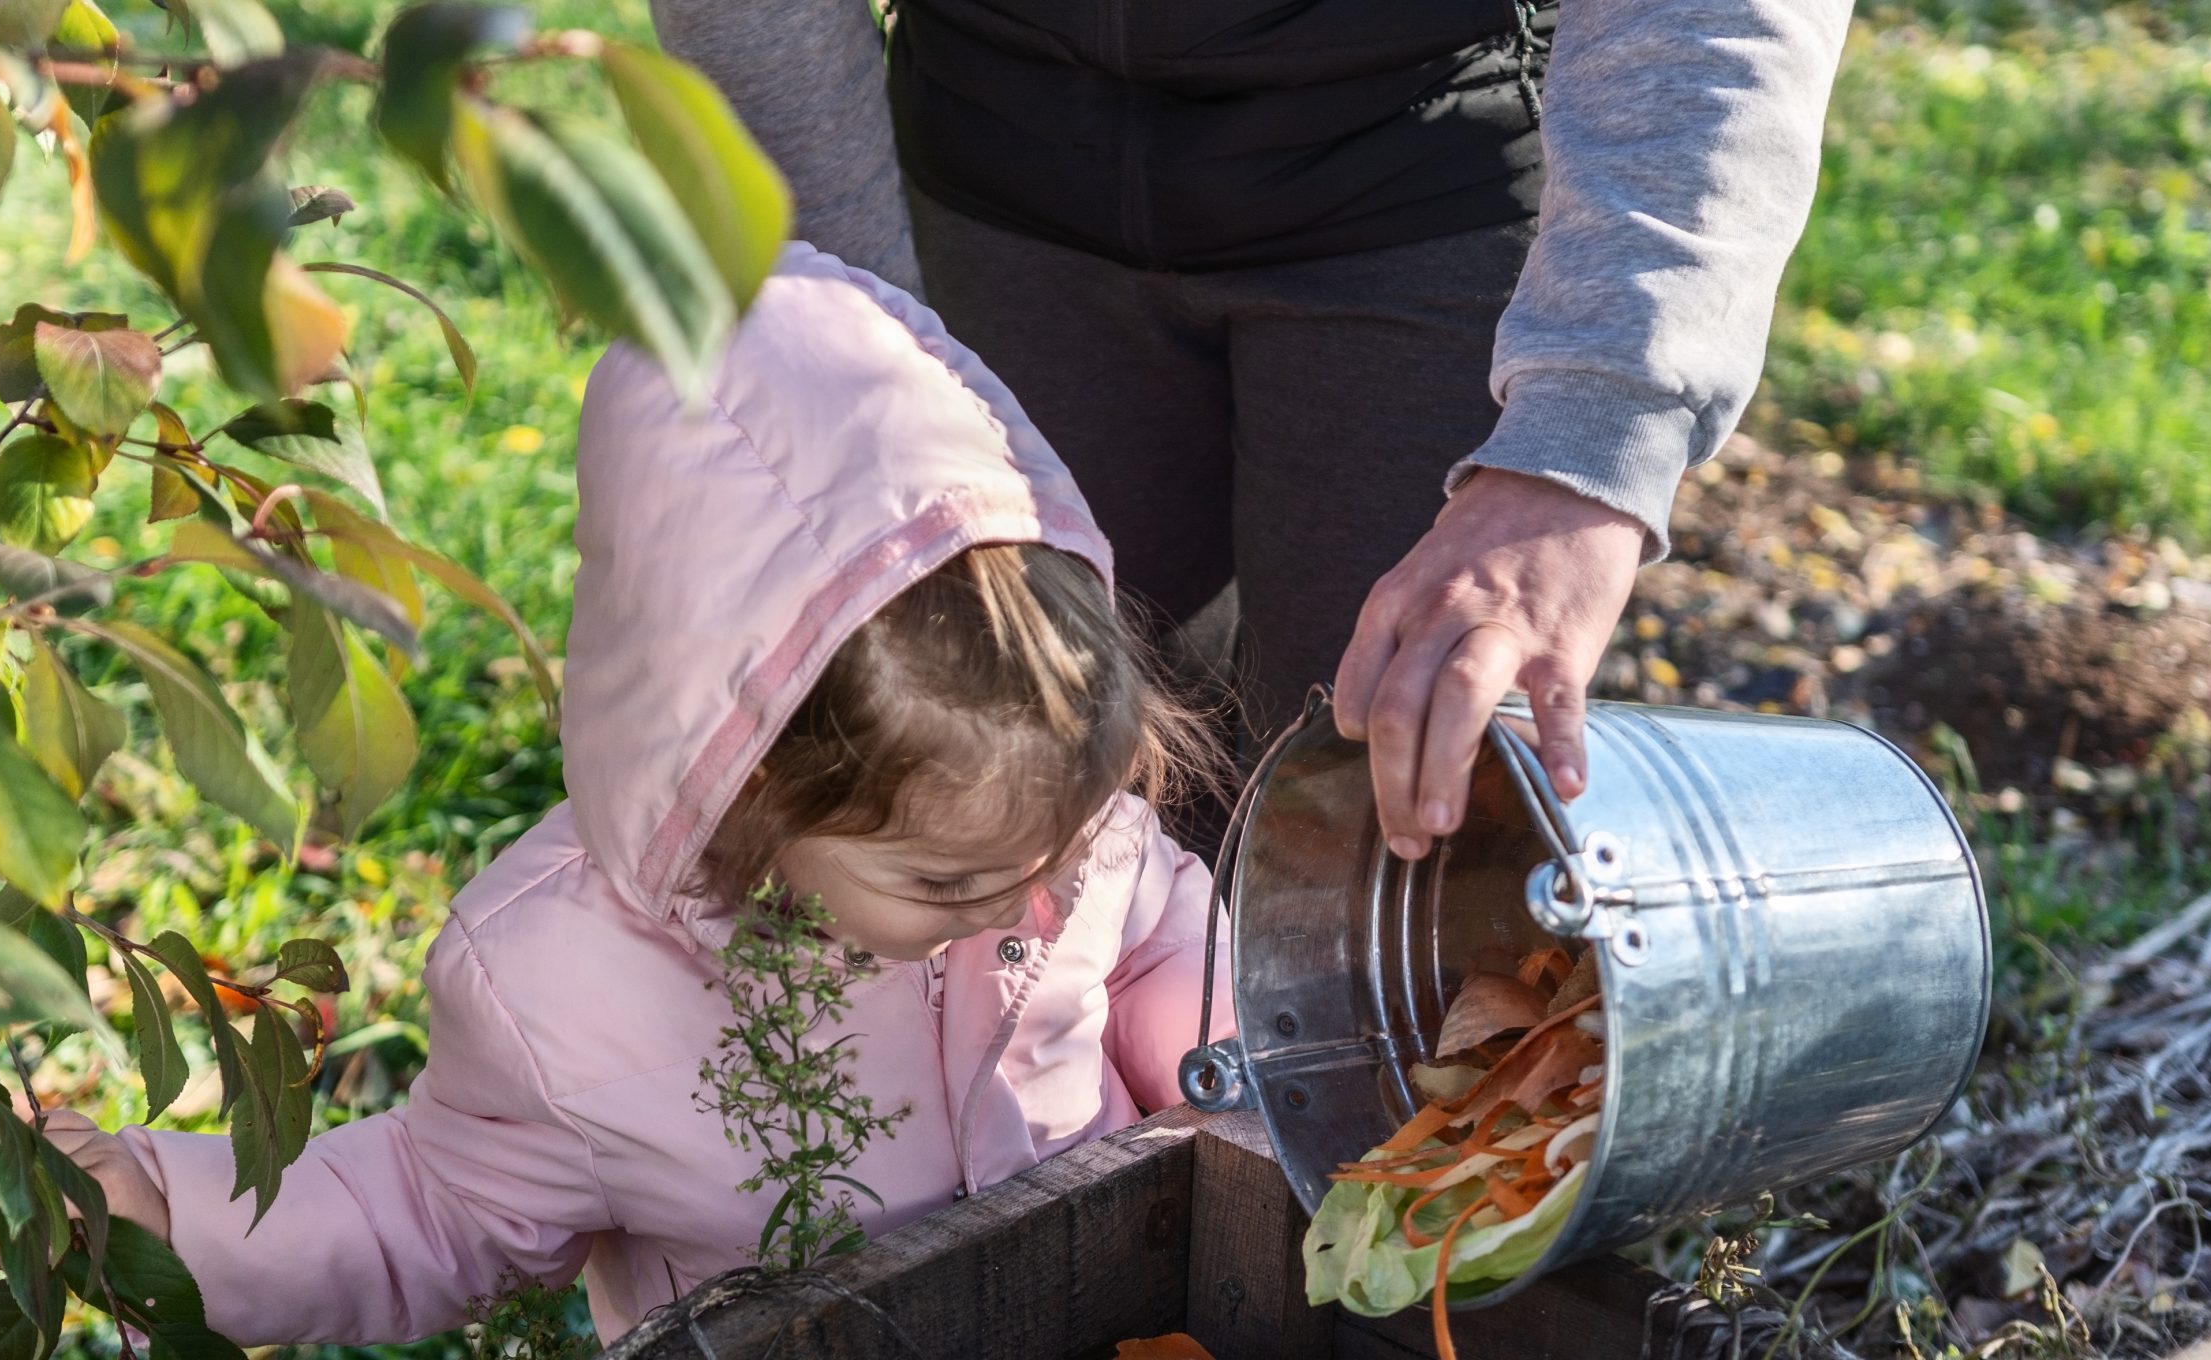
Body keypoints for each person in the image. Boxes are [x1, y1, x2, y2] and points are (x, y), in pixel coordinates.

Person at [55, 247, 1229, 1346]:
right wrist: (164, 1224)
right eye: (946, 881)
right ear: (757, 785)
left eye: (1061, 844)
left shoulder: (1029, 828)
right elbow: (419, 1208)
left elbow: (1152, 944)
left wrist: (1223, 1068)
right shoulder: (560, 994)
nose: (1029, 905)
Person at [651, 0, 1853, 859]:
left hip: (1423, 179)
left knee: (1369, 849)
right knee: (1011, 808)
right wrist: (860, 313)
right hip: (984, 170)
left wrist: (1584, 446)